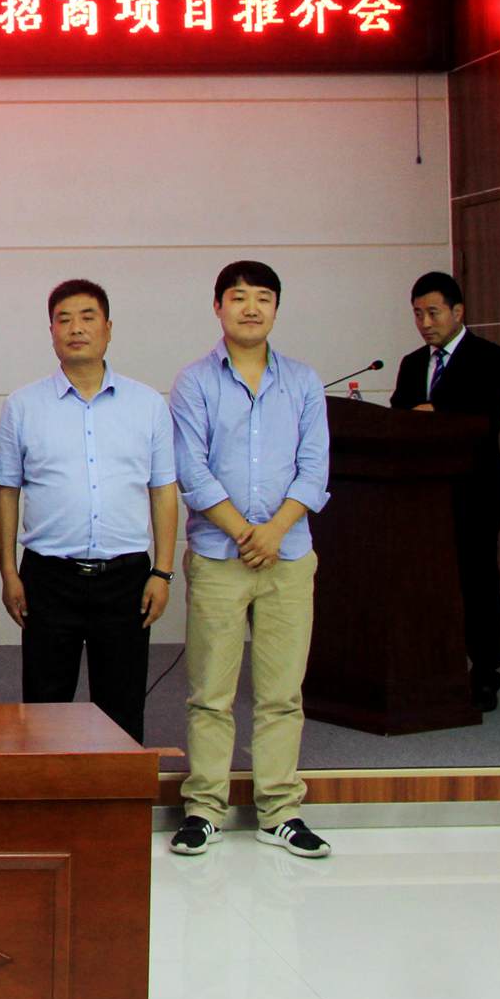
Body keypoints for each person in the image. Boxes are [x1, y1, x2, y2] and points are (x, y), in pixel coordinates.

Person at [168, 261, 333, 859]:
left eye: (264, 298)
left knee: (282, 693)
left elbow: (315, 467)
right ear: (218, 307)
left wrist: (275, 531)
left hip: (288, 555)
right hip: (220, 555)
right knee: (211, 692)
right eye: (238, 297)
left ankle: (280, 810)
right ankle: (204, 808)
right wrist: (245, 533)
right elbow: (191, 470)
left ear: (276, 309)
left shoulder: (304, 381)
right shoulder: (195, 382)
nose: (251, 308)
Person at [0, 281, 178, 743]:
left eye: (87, 317)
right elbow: (7, 494)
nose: (76, 328)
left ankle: (115, 792)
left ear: (108, 328)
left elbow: (163, 492)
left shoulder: (148, 405)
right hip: (48, 577)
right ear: (51, 332)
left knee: (122, 705)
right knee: (44, 704)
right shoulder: (23, 406)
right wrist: (8, 573)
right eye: (64, 319)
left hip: (126, 578)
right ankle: (47, 789)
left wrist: (162, 572)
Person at [391, 271, 500, 712]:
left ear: (458, 311)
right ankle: (434, 665)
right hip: (423, 497)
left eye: (433, 312)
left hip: (474, 493)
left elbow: (482, 418)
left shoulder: (491, 358)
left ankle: (485, 673)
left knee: (478, 584)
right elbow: (400, 417)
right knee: (426, 585)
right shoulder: (411, 363)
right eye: (417, 314)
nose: (425, 323)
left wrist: (435, 411)